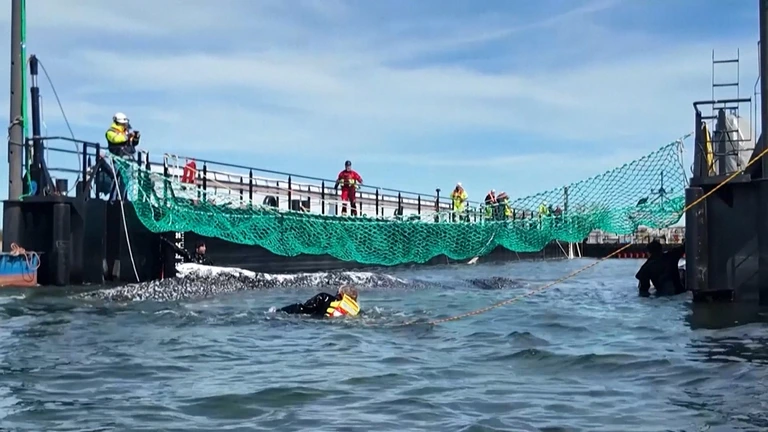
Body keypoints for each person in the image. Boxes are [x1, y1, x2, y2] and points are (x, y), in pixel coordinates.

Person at [279, 285, 361, 317]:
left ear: (340, 294)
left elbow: (303, 308)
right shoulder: (356, 311)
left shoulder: (323, 298)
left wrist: (278, 312)